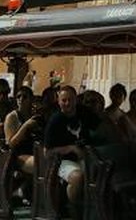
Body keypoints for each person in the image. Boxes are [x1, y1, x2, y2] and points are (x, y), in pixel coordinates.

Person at [44, 85, 100, 217]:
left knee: (103, 172)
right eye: (64, 100)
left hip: (85, 158)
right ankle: (74, 211)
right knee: (77, 177)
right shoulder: (55, 121)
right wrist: (71, 148)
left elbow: (101, 126)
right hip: (62, 161)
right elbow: (47, 153)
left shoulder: (84, 112)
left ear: (76, 100)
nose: (67, 103)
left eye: (70, 100)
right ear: (59, 102)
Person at [3, 85, 40, 175]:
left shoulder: (35, 116)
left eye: (25, 96)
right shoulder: (12, 117)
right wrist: (25, 126)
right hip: (17, 155)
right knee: (39, 165)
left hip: (34, 151)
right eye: (18, 96)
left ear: (31, 99)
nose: (21, 99)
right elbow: (10, 143)